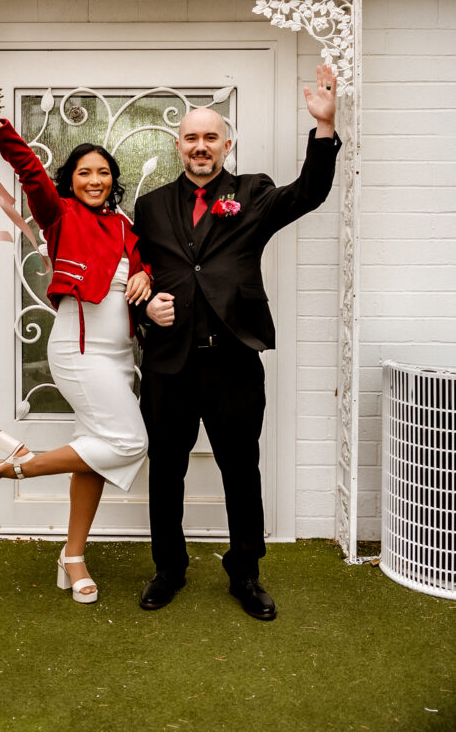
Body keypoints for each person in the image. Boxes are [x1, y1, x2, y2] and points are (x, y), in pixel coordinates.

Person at [133, 64, 341, 619]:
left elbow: (312, 192)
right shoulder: (150, 206)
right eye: (191, 138)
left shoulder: (254, 194)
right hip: (169, 364)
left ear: (227, 144)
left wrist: (324, 127)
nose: (201, 147)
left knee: (240, 469)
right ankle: (168, 569)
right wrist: (144, 303)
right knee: (166, 469)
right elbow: (131, 273)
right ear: (178, 145)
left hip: (234, 361)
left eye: (210, 138)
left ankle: (245, 573)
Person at [0, 105, 150, 604]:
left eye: (103, 172)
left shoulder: (126, 228)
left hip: (119, 357)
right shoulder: (59, 214)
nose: (95, 179)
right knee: (130, 443)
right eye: (85, 171)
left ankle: (73, 556)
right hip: (78, 351)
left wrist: (146, 273)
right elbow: (29, 170)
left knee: (95, 454)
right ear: (72, 180)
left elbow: (141, 266)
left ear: (113, 181)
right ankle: (13, 465)